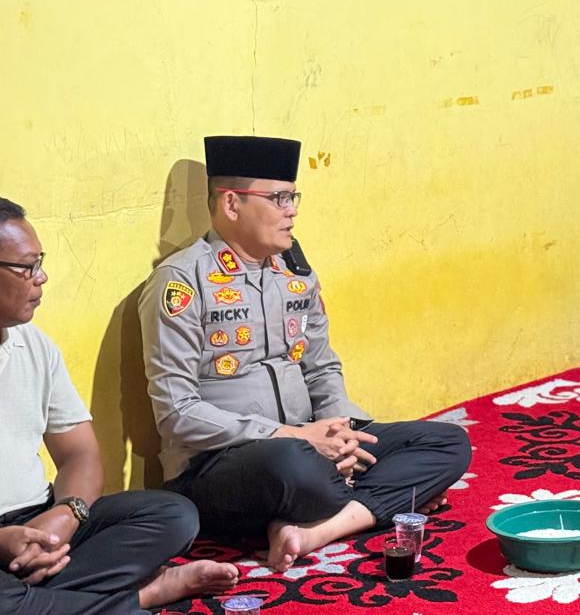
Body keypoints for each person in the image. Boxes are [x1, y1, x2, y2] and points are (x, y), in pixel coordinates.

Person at [140, 136, 472, 572]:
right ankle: (374, 500)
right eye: (278, 198)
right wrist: (293, 437)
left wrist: (341, 432)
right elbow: (176, 413)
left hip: (311, 448)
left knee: (447, 442)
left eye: (293, 197)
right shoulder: (183, 282)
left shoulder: (295, 273)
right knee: (293, 465)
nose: (291, 210)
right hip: (224, 465)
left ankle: (313, 530)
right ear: (232, 203)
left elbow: (321, 367)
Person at [0, 196, 238, 615]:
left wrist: (66, 515)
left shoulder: (33, 344)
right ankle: (142, 597)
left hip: (38, 523)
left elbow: (80, 454)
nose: (42, 277)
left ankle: (40, 601)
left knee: (172, 514)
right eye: (27, 267)